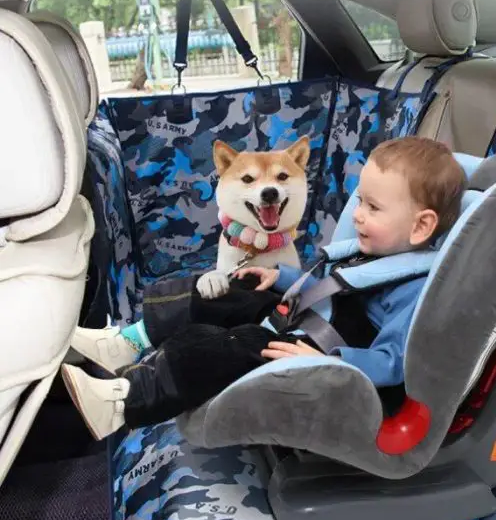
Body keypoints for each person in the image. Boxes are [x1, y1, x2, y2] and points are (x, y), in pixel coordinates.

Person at [62, 137, 467, 440]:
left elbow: (393, 361)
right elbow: (334, 283)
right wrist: (283, 278)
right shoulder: (375, 252)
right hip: (305, 316)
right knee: (228, 290)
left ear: (421, 226)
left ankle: (120, 403)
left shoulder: (416, 288)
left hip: (324, 359)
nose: (357, 216)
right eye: (359, 202)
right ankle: (128, 343)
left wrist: (330, 361)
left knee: (230, 342)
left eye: (372, 208)